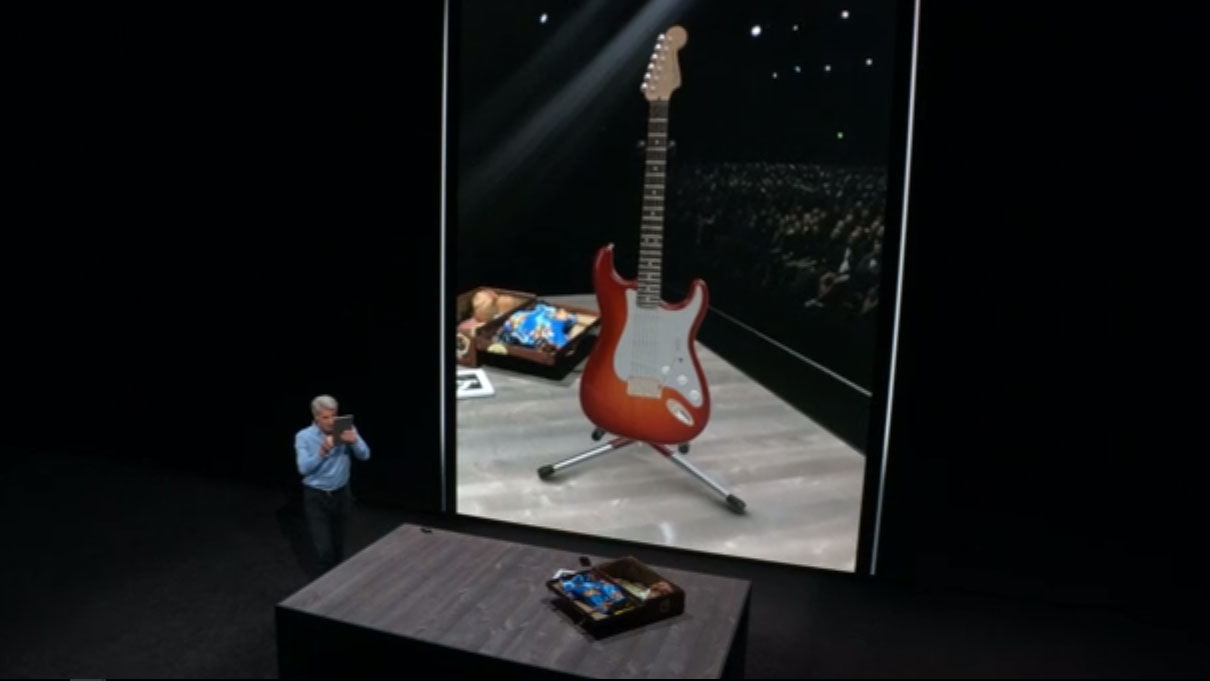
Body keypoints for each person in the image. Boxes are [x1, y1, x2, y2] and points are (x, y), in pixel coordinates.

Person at [295, 394, 370, 575]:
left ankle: (336, 581)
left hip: (341, 494)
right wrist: (322, 451)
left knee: (338, 544)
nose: (331, 422)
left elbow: (365, 455)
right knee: (324, 550)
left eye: (334, 416)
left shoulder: (345, 429)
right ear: (316, 417)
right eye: (325, 417)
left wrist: (355, 441)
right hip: (316, 496)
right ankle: (322, 586)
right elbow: (303, 468)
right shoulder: (304, 436)